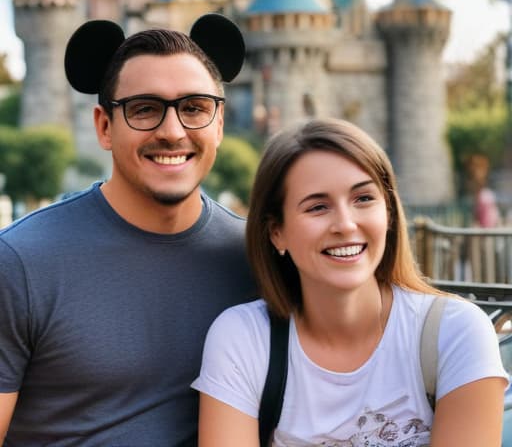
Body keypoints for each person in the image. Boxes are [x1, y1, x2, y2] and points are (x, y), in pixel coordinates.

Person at [0, 14, 255, 446]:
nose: (172, 131)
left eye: (194, 108)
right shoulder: (22, 261)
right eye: (145, 110)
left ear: (219, 123)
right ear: (104, 126)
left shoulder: (255, 258)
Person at [192, 118, 508, 446]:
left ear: (388, 214)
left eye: (363, 199)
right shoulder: (242, 339)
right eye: (317, 207)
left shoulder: (454, 333)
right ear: (277, 232)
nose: (345, 224)